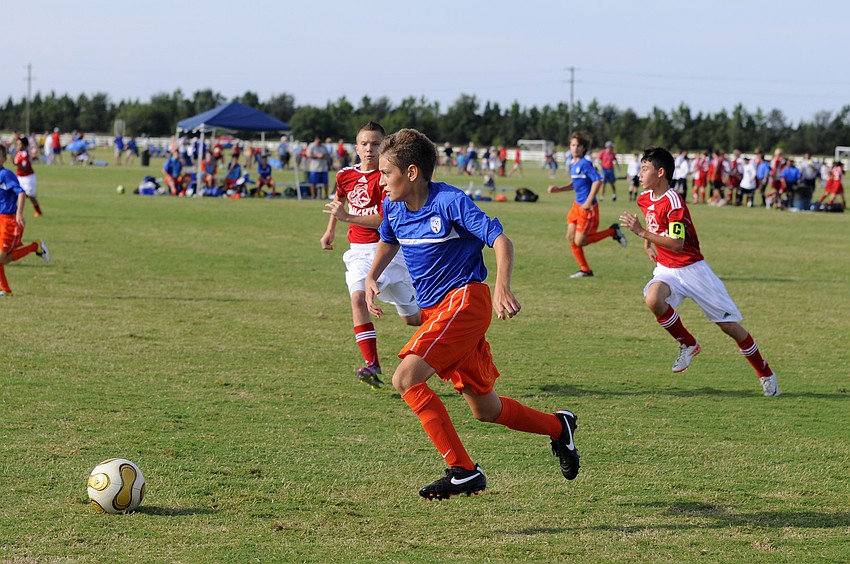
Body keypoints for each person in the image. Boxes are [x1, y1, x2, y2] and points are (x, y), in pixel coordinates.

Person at [365, 128, 580, 500]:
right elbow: (388, 239)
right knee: (486, 409)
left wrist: (501, 285)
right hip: (438, 314)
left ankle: (463, 470)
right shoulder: (394, 207)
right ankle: (559, 427)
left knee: (406, 378)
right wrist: (372, 276)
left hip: (465, 301)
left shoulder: (450, 201)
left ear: (412, 172)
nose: (380, 181)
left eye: (386, 173)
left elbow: (500, 239)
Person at [618, 146, 779, 397]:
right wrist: (647, 242)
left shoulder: (674, 202)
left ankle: (764, 371)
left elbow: (677, 243)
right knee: (653, 298)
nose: (639, 173)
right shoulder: (644, 198)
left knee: (729, 327)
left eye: (645, 168)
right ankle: (688, 343)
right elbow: (653, 225)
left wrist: (641, 233)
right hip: (667, 269)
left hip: (693, 270)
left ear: (660, 172)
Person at [321, 122, 421, 388]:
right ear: (356, 147)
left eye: (375, 144)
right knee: (357, 298)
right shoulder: (344, 175)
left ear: (384, 146)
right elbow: (339, 201)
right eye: (364, 144)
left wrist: (347, 217)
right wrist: (330, 229)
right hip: (357, 252)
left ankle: (452, 331)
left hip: (386, 252)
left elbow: (385, 221)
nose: (369, 149)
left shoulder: (388, 177)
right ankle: (372, 364)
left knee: (412, 319)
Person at [547, 131, 628, 279]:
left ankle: (613, 231)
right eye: (572, 145)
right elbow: (575, 184)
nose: (575, 148)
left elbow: (597, 180)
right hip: (576, 206)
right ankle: (585, 270)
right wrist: (559, 189)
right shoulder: (573, 163)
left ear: (584, 148)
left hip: (587, 208)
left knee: (580, 241)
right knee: (571, 238)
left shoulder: (585, 163)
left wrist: (589, 201)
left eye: (578, 146)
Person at [0, 144, 49, 297]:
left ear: (4, 158)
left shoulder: (5, 175)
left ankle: (35, 247)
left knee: (3, 259)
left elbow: (21, 193)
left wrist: (19, 214)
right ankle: (6, 290)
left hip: (9, 222)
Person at [14, 137, 44, 217]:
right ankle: (16, 212)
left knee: (30, 195)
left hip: (28, 178)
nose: (17, 145)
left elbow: (25, 168)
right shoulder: (18, 153)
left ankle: (38, 212)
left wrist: (17, 165)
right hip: (20, 177)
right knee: (17, 194)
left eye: (19, 144)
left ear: (24, 145)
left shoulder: (25, 154)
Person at [306, 135, 330, 199]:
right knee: (313, 183)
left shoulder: (324, 147)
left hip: (323, 168)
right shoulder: (311, 146)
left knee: (325, 183)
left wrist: (323, 156)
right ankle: (313, 196)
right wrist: (317, 156)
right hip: (314, 168)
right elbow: (308, 155)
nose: (319, 143)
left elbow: (328, 155)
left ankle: (326, 195)